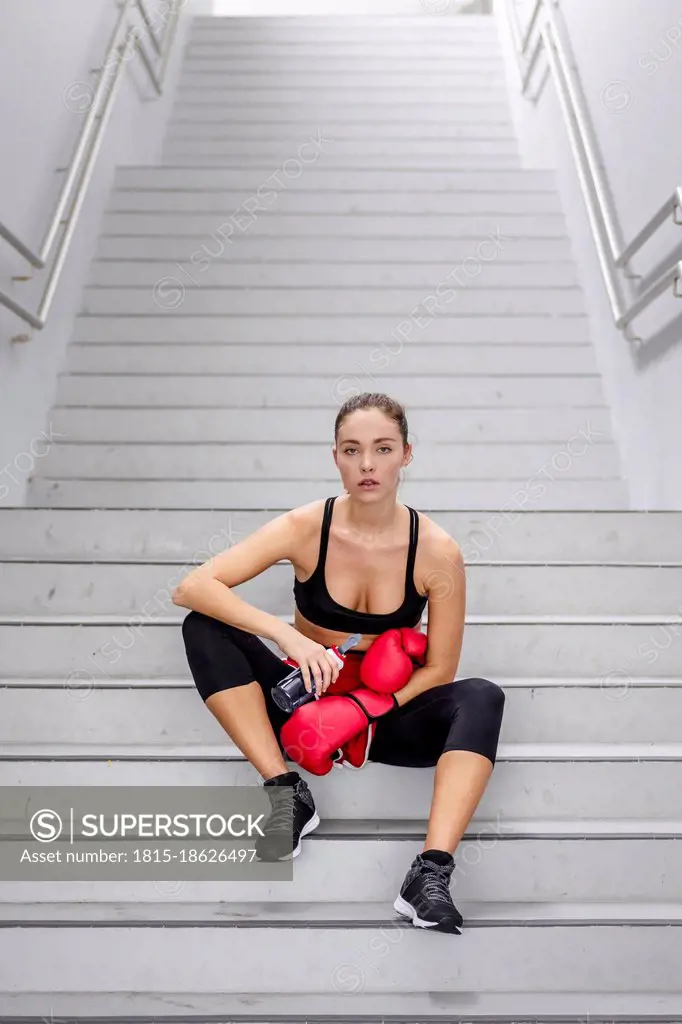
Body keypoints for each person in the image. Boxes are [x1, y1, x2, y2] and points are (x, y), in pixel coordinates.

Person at [173, 392, 505, 934]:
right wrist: (288, 637)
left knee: (482, 695)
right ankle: (287, 793)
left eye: (382, 449)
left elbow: (441, 669)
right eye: (352, 450)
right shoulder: (306, 526)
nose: (367, 465)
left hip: (385, 715)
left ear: (406, 455)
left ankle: (429, 874)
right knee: (205, 625)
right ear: (335, 457)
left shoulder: (437, 551)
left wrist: (361, 708)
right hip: (302, 698)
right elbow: (192, 587)